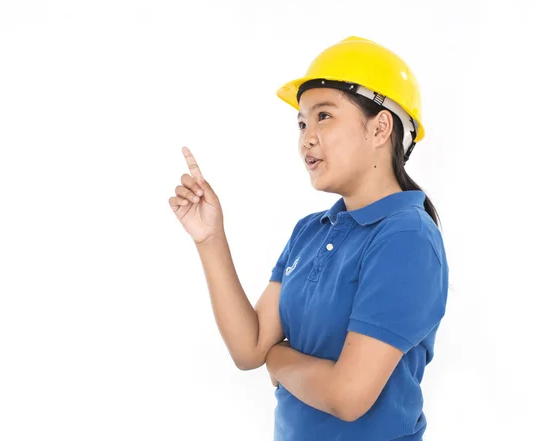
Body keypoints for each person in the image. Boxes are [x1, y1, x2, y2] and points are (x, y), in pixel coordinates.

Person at [169, 35, 449, 441]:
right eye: (301, 123)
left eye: (324, 116)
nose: (306, 138)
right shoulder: (310, 231)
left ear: (380, 127)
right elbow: (249, 348)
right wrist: (210, 238)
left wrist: (278, 359)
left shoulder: (406, 237)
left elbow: (348, 396)